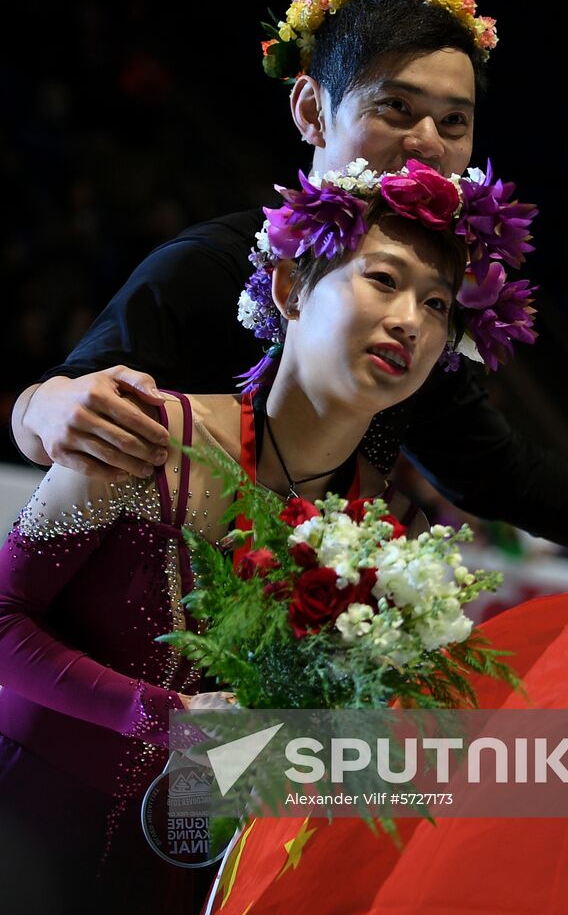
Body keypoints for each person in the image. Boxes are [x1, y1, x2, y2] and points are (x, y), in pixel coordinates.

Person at [9, 0, 568, 582]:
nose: (427, 141)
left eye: (453, 122)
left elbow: (503, 475)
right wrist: (45, 406)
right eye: (395, 108)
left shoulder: (419, 318)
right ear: (312, 110)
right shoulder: (209, 264)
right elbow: (66, 396)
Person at [0, 156, 505, 913]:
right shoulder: (147, 437)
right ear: (289, 287)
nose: (412, 319)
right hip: (24, 840)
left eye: (438, 305)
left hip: (186, 875)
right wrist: (164, 718)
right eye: (383, 280)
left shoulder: (388, 538)